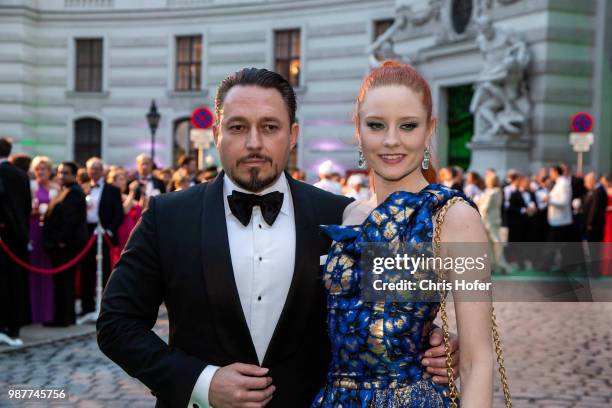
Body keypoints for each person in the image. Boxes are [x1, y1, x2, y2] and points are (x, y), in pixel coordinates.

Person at [97, 67, 459, 408]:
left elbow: (392, 316)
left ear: (293, 134)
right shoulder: (168, 216)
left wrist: (437, 346)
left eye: (270, 127)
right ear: (216, 134)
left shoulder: (345, 217)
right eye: (238, 128)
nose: (254, 142)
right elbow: (117, 325)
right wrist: (202, 383)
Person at [312, 61, 493, 407]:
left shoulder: (455, 217)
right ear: (358, 130)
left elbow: (476, 360)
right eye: (376, 125)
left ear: (429, 131)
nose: (391, 140)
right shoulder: (349, 215)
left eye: (408, 125)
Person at [42, 161, 87, 327]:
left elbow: (70, 221)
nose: (61, 175)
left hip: (66, 246)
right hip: (61, 245)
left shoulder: (74, 193)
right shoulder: (66, 191)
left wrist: (61, 241)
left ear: (74, 174)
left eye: (66, 172)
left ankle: (63, 318)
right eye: (60, 172)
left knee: (65, 283)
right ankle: (64, 316)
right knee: (62, 282)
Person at [80, 157, 123, 316]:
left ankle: (105, 307)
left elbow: (118, 214)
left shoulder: (112, 190)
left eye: (97, 168)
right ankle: (87, 308)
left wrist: (109, 231)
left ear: (102, 171)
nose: (93, 171)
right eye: (91, 168)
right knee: (87, 270)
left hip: (104, 232)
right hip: (87, 232)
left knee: (105, 271)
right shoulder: (83, 188)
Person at [0, 137, 32, 346]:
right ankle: (14, 327)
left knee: (3, 282)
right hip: (19, 235)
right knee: (16, 282)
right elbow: (27, 206)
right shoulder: (20, 174)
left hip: (4, 236)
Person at [29, 156, 60, 324]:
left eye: (44, 169)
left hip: (49, 233)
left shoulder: (56, 188)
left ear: (49, 171)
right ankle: (35, 313)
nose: (41, 172)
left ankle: (48, 313)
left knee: (48, 272)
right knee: (33, 271)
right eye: (38, 169)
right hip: (33, 230)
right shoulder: (31, 187)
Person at [476, 171, 510, 273]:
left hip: (489, 220)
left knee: (495, 242)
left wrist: (478, 203)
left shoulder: (493, 192)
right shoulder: (493, 191)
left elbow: (485, 207)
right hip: (490, 220)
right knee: (490, 243)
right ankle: (493, 265)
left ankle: (501, 264)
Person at [581, 172, 608, 242]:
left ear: (592, 181)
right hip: (595, 224)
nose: (585, 184)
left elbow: (594, 209)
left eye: (586, 182)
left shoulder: (598, 191)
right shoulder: (597, 190)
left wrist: (590, 223)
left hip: (595, 225)